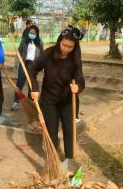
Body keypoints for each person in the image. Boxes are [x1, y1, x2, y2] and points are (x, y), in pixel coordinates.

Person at [28, 27, 85, 162]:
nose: (66, 49)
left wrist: (78, 87)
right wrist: (34, 88)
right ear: (59, 41)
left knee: (69, 131)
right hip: (49, 100)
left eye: (70, 47)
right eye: (64, 45)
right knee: (51, 131)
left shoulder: (74, 58)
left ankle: (69, 160)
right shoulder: (48, 53)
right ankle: (53, 159)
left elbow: (80, 80)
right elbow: (31, 69)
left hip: (67, 100)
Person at [12, 25, 43, 111]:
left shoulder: (40, 42)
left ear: (37, 34)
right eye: (30, 32)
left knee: (31, 85)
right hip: (24, 64)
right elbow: (19, 52)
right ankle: (15, 102)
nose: (32, 34)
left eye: (34, 33)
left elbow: (42, 55)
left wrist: (42, 67)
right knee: (20, 83)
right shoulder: (24, 41)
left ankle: (30, 103)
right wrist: (16, 64)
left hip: (34, 66)